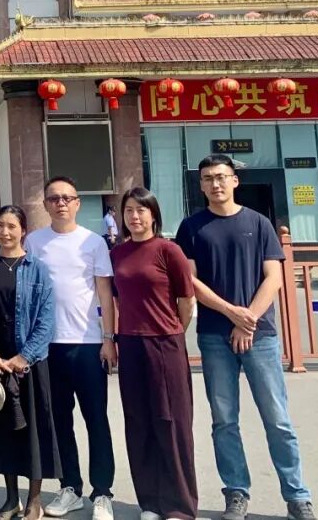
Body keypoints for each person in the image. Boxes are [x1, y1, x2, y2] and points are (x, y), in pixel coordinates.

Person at [176, 155, 316, 520]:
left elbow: (274, 277)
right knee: (224, 420)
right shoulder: (191, 227)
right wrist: (231, 313)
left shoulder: (259, 223)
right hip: (214, 335)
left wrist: (247, 319)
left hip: (260, 336)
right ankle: (236, 492)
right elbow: (190, 282)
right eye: (208, 178)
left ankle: (297, 496)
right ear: (201, 185)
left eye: (222, 177)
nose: (216, 184)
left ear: (235, 180)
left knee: (278, 419)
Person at [24, 177, 116, 520]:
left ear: (78, 203)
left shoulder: (93, 242)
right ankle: (70, 487)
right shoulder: (34, 242)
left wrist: (109, 338)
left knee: (96, 420)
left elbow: (104, 293)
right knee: (59, 421)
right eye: (54, 198)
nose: (61, 203)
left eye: (67, 198)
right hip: (48, 346)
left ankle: (102, 492)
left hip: (88, 344)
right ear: (45, 204)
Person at [111, 188, 197, 520]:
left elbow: (186, 301)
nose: (135, 216)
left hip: (165, 343)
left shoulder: (168, 250)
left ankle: (179, 506)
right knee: (139, 422)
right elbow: (117, 298)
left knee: (171, 422)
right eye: (129, 210)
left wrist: (172, 331)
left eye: (141, 210)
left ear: (153, 215)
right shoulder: (118, 253)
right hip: (130, 343)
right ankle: (149, 502)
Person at [0, 205, 60, 520]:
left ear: (23, 230)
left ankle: (34, 499)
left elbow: (46, 319)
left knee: (33, 430)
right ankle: (11, 499)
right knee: (3, 430)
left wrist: (24, 357)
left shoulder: (38, 268)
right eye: (0, 225)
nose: (5, 232)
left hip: (29, 362)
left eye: (11, 226)